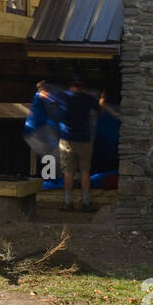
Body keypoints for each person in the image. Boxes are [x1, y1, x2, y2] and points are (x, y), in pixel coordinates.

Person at [57, 75, 99, 211]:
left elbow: (45, 96)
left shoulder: (63, 96)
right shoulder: (89, 99)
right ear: (83, 87)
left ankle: (68, 203)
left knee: (68, 172)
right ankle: (86, 203)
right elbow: (100, 110)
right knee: (85, 171)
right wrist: (104, 98)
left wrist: (40, 88)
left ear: (70, 85)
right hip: (85, 140)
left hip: (67, 140)